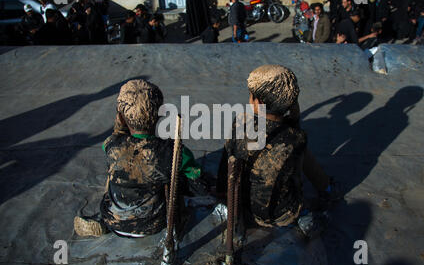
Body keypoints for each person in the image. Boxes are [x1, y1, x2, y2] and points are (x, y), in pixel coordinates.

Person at [217, 65, 342, 239]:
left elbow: (226, 161)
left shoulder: (240, 122)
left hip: (237, 204)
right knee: (300, 155)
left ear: (258, 103)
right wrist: (294, 120)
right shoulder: (295, 137)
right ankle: (326, 189)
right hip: (278, 215)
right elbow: (292, 172)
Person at [73, 79, 203, 238]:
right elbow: (197, 181)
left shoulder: (110, 145)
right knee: (176, 177)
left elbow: (117, 136)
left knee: (117, 174)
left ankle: (102, 220)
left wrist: (120, 124)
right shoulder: (173, 151)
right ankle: (178, 220)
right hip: (154, 223)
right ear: (159, 114)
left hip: (113, 220)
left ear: (120, 116)